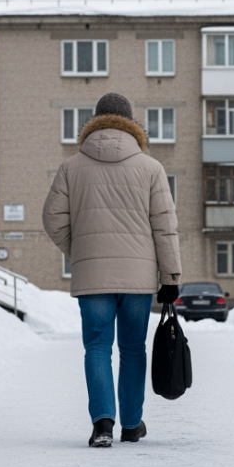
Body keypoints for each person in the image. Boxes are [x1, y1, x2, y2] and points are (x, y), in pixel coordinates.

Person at [43, 92, 182, 448]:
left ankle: (102, 424)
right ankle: (132, 425)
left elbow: (52, 219)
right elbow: (164, 228)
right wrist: (170, 278)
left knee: (97, 348)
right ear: (132, 125)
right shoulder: (151, 168)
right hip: (137, 279)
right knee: (133, 349)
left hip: (93, 279)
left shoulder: (71, 166)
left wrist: (82, 251)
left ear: (94, 123)